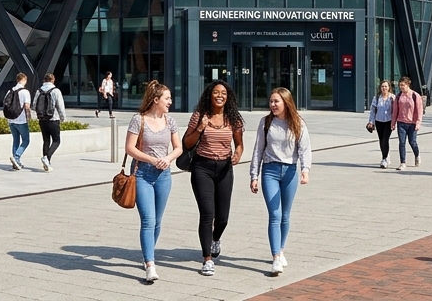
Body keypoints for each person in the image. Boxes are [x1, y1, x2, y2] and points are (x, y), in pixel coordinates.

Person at [184, 80, 244, 276]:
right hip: (203, 168)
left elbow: (239, 144)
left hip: (225, 169)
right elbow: (186, 142)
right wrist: (200, 128)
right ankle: (207, 259)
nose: (220, 95)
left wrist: (237, 154)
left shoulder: (233, 118)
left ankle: (215, 239)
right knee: (207, 214)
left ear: (228, 97)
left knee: (223, 218)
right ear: (209, 95)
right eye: (216, 92)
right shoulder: (199, 115)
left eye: (224, 93)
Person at [250, 87, 311, 277]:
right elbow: (258, 150)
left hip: (290, 172)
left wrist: (305, 170)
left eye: (276, 101)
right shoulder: (266, 123)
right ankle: (275, 257)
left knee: (285, 215)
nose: (273, 105)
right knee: (274, 214)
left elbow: (305, 149)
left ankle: (281, 249)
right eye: (271, 101)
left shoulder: (298, 123)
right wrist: (254, 175)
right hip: (270, 170)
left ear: (286, 102)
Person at [126, 80, 181, 284]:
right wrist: (151, 159)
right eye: (167, 98)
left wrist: (168, 159)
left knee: (158, 220)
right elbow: (130, 148)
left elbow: (178, 147)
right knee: (148, 220)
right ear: (156, 100)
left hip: (164, 175)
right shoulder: (138, 120)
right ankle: (150, 264)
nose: (170, 102)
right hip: (142, 173)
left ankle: (147, 253)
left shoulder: (170, 121)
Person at [35, 73, 66, 172]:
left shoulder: (38, 91)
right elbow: (60, 106)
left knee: (46, 141)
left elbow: (34, 105)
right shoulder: (56, 91)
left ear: (44, 80)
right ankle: (46, 158)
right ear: (53, 80)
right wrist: (62, 118)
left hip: (42, 119)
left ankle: (47, 164)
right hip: (53, 119)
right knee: (57, 141)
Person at [393, 77, 423, 169]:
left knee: (412, 142)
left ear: (408, 84)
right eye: (400, 85)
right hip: (401, 122)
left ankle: (417, 155)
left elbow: (420, 110)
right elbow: (395, 111)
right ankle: (403, 162)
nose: (401, 87)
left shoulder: (415, 95)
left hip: (412, 123)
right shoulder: (398, 96)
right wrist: (393, 122)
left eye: (403, 85)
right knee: (402, 142)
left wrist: (418, 122)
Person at [365, 80, 396, 168]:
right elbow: (373, 111)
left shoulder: (392, 98)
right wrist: (371, 122)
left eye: (386, 86)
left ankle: (384, 159)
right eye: (382, 86)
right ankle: (386, 154)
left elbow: (395, 111)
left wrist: (394, 122)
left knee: (385, 139)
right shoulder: (377, 97)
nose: (384, 88)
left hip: (388, 121)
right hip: (379, 121)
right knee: (381, 139)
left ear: (389, 87)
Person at [6, 73, 32, 170]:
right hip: (21, 120)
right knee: (26, 140)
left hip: (11, 119)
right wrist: (29, 117)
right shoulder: (25, 92)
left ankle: (16, 162)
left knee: (15, 140)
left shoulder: (10, 90)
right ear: (24, 80)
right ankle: (16, 157)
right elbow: (27, 106)